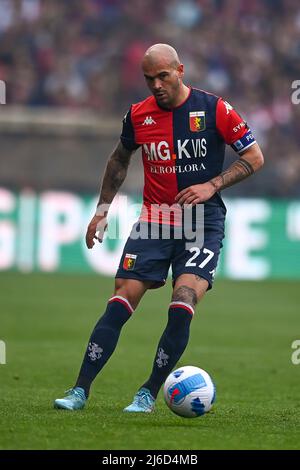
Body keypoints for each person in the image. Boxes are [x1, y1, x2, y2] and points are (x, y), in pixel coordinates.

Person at [54, 44, 264, 412]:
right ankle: (79, 390)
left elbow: (254, 156)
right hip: (155, 220)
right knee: (121, 300)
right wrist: (102, 210)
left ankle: (149, 392)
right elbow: (120, 159)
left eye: (163, 76)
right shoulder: (137, 115)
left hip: (202, 222)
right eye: (149, 78)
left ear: (180, 70)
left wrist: (212, 185)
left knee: (182, 303)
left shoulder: (215, 109)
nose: (156, 85)